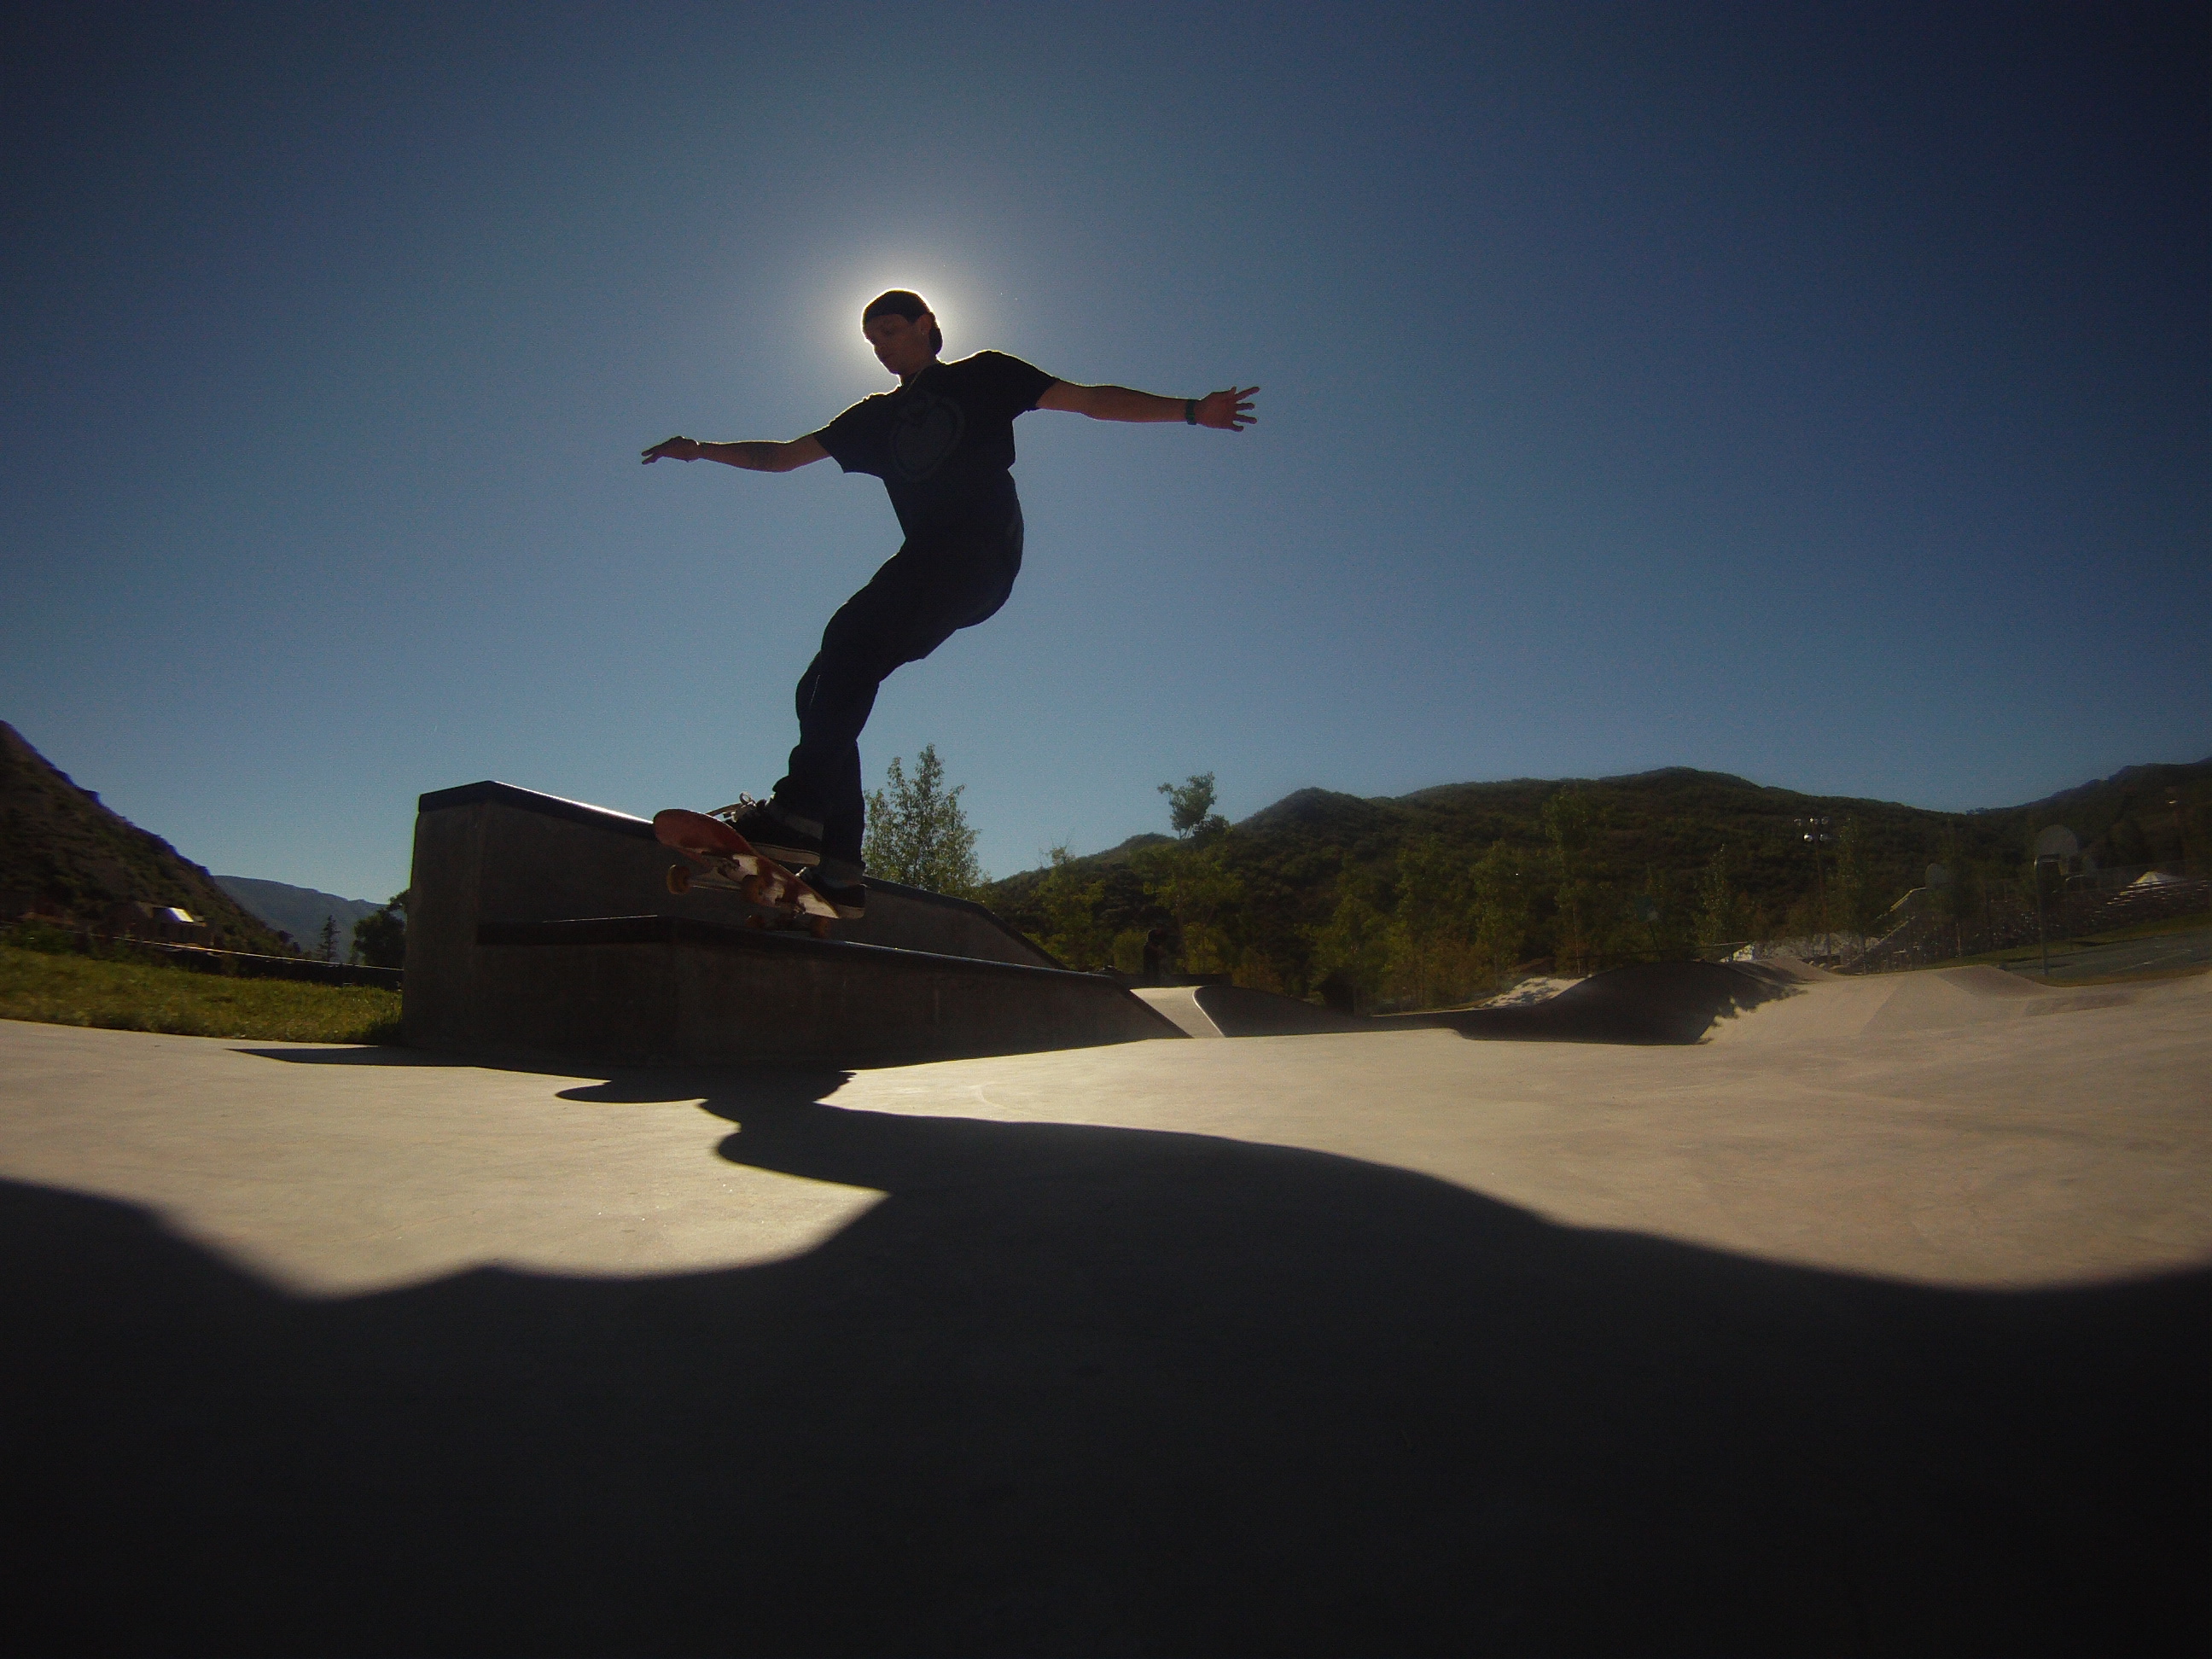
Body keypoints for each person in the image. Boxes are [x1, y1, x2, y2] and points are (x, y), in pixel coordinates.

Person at [643, 289, 1256, 918]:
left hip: (981, 552)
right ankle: (841, 870)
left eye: (890, 330)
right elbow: (780, 457)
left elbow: (1091, 400)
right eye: (872, 339)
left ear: (927, 325)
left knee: (850, 638)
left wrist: (1190, 411)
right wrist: (702, 450)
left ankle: (800, 812)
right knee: (823, 684)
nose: (882, 347)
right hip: (927, 560)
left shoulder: (984, 376)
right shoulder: (872, 418)